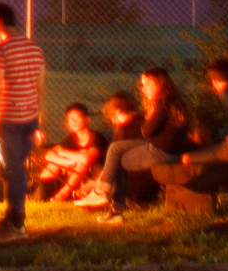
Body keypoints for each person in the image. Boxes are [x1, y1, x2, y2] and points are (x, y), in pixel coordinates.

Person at [79, 66, 191, 219]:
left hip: (162, 151)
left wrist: (150, 116)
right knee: (116, 148)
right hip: (162, 147)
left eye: (147, 84)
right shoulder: (170, 101)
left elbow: (147, 131)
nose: (143, 89)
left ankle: (105, 198)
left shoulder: (162, 103)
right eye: (142, 85)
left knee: (117, 160)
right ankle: (109, 202)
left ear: (160, 83)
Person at [0, 0, 45, 241]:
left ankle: (17, 225)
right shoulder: (34, 47)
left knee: (13, 170)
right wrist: (39, 120)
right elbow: (40, 86)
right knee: (14, 170)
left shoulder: (1, 49)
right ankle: (11, 217)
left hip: (8, 120)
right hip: (30, 120)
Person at [34, 102, 107, 201]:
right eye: (69, 119)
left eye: (76, 118)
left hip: (98, 175)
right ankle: (38, 191)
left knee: (81, 162)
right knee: (54, 163)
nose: (72, 122)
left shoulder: (96, 137)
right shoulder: (71, 138)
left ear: (87, 120)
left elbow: (86, 159)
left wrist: (62, 153)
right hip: (76, 173)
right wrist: (67, 162)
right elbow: (48, 155)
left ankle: (63, 194)